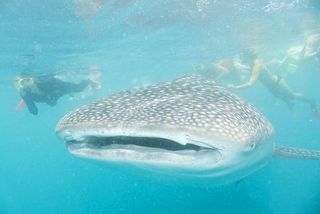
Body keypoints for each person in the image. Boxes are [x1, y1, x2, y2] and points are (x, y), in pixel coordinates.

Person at [229, 51, 319, 117]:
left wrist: (236, 87)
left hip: (277, 83)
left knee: (292, 95)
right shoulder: (256, 61)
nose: (242, 59)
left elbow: (250, 84)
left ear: (248, 57)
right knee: (279, 97)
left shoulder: (257, 66)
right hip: (273, 85)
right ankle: (290, 104)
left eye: (243, 57)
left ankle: (311, 102)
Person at [15, 73, 96, 115]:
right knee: (52, 104)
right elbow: (34, 111)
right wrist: (27, 99)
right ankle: (67, 92)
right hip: (49, 98)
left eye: (27, 81)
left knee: (79, 89)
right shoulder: (24, 93)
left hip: (59, 89)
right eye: (22, 83)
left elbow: (55, 81)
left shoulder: (42, 82)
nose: (26, 85)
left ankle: (89, 80)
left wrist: (66, 89)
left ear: (32, 80)